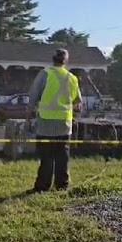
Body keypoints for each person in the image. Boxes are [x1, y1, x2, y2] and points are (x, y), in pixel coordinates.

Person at [27, 48, 82, 192]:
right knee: (62, 156)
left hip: (46, 123)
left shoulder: (45, 74)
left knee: (46, 157)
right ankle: (62, 185)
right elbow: (78, 103)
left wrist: (28, 115)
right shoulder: (72, 78)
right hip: (64, 124)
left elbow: (33, 95)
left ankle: (42, 186)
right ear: (66, 61)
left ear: (53, 59)